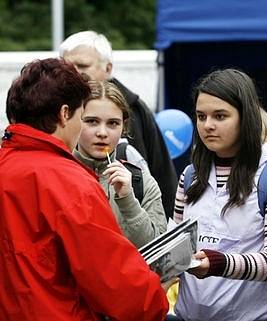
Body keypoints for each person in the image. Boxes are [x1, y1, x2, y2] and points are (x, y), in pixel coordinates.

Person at [0, 58, 168, 320]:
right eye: (85, 118)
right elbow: (113, 279)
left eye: (113, 123)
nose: (99, 132)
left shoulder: (7, 166)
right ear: (65, 114)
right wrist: (156, 300)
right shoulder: (70, 182)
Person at [173, 68, 267, 321]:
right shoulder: (191, 175)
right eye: (201, 116)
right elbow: (178, 249)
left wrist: (218, 263)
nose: (208, 125)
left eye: (220, 116)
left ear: (246, 118)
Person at [59, 30, 178, 219]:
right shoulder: (55, 109)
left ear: (108, 68)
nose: (72, 73)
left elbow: (160, 178)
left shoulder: (134, 110)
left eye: (82, 65)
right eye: (66, 66)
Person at [74, 80, 167, 248]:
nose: (102, 133)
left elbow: (159, 253)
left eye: (113, 123)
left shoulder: (141, 181)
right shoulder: (56, 175)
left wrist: (128, 200)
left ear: (124, 127)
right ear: (74, 122)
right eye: (92, 121)